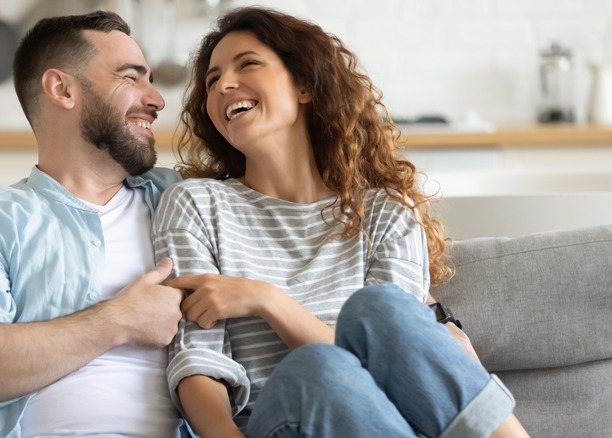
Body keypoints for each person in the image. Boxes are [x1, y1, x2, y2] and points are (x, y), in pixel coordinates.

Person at [151, 7, 529, 438]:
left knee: (382, 310)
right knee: (316, 367)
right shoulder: (196, 205)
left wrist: (268, 300)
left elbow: (402, 364)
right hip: (282, 420)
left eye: (247, 64)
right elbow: (198, 364)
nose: (223, 86)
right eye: (212, 80)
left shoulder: (386, 211)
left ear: (305, 86)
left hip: (389, 422)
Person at [0, 11, 187, 437]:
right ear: (62, 88)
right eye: (132, 78)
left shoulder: (183, 201)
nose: (158, 100)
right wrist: (120, 320)